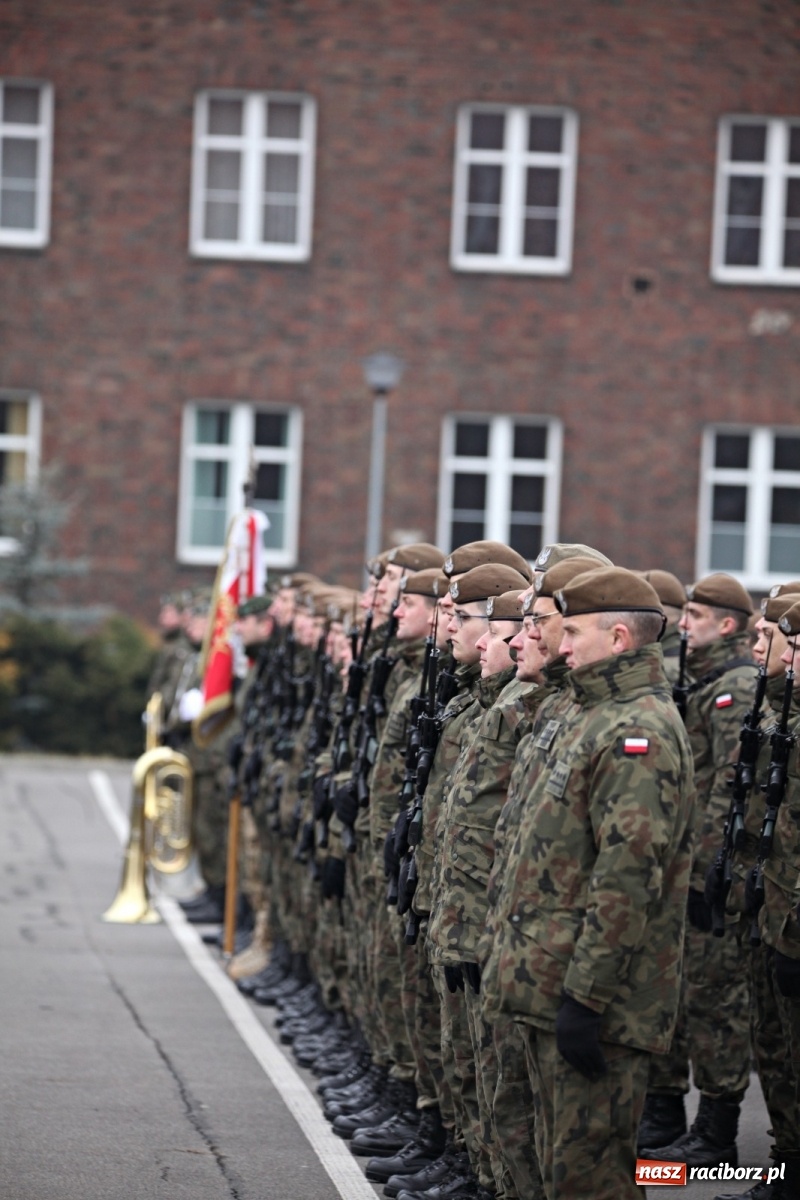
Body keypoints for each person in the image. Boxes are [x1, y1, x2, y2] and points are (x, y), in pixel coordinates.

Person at [480, 567, 695, 1200]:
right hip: (548, 986)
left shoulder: (640, 730)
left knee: (589, 1180)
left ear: (620, 638)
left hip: (595, 1004)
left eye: (572, 631)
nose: (560, 644)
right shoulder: (590, 713)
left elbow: (626, 880)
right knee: (555, 1171)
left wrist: (586, 1000)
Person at [642, 573, 757, 1165]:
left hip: (709, 871)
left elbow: (730, 790)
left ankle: (717, 1133)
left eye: (696, 616)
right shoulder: (706, 679)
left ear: (727, 624)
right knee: (683, 992)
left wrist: (709, 872)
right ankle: (669, 1116)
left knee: (715, 999)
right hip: (686, 863)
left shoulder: (733, 688)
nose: (684, 626)